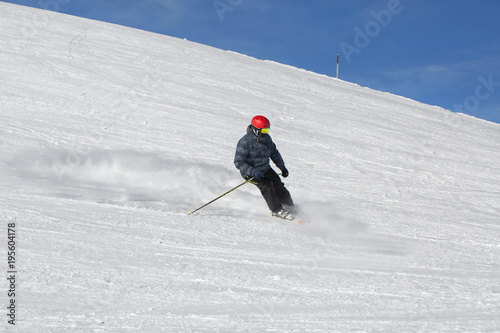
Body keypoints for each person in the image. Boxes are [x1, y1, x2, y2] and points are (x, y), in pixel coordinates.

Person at [234, 115, 295, 220]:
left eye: (267, 130)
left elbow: (274, 153)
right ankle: (277, 210)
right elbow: (238, 162)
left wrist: (282, 167)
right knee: (267, 186)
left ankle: (289, 205)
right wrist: (253, 172)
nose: (266, 133)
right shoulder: (245, 142)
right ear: (256, 129)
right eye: (264, 130)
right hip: (251, 172)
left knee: (278, 184)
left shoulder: (267, 139)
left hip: (265, 168)